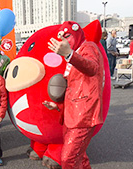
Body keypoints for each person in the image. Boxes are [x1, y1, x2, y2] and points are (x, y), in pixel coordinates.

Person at [45, 21, 104, 169]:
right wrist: (58, 105)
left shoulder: (88, 47)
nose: (65, 40)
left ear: (77, 34)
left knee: (68, 159)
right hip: (72, 115)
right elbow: (74, 88)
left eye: (68, 36)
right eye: (62, 37)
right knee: (80, 156)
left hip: (83, 115)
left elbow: (92, 68)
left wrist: (69, 54)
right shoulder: (75, 54)